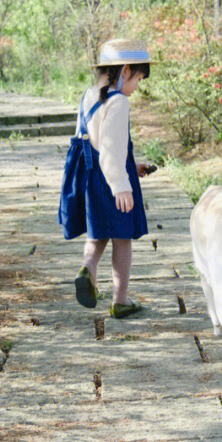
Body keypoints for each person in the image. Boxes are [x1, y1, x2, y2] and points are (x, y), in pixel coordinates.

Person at [58, 37, 153, 319]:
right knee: (122, 238)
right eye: (137, 79)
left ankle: (87, 268)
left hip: (91, 178)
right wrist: (122, 186)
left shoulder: (89, 95)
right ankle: (120, 300)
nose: (136, 88)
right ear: (124, 71)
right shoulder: (119, 102)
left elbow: (97, 142)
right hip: (112, 180)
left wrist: (132, 165)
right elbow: (110, 150)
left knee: (98, 232)